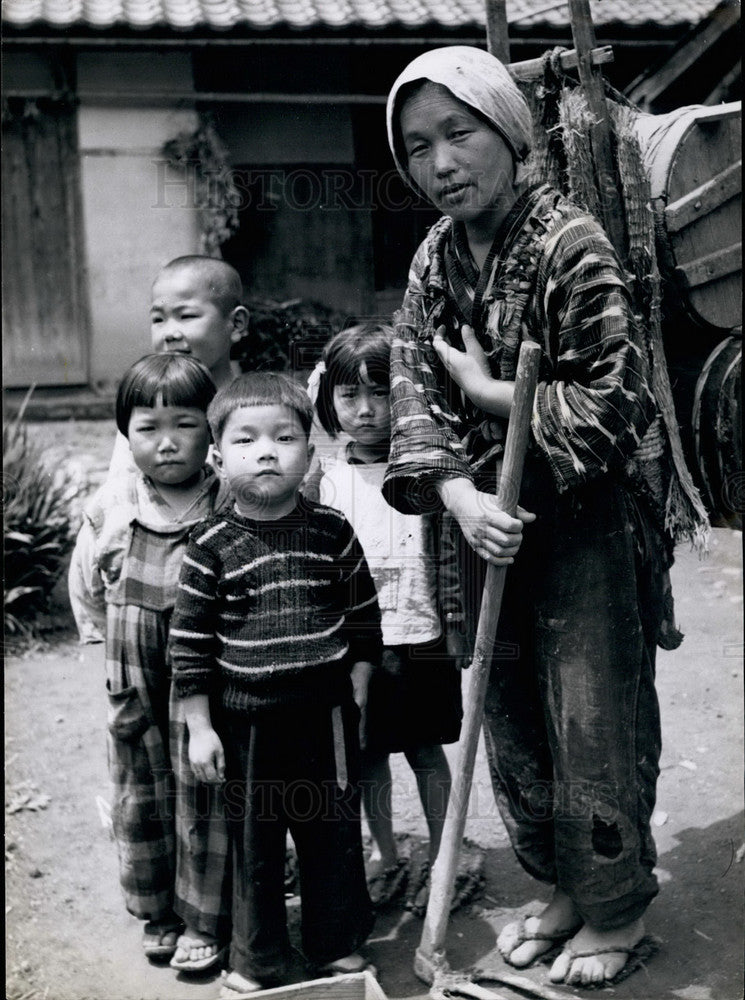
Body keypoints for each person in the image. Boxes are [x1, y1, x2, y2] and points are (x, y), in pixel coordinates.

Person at [383, 45, 679, 987]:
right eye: (418, 146)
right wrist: (463, 498)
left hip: (583, 525)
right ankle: (561, 888)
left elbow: (616, 404)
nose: (440, 164)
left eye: (458, 134)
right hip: (485, 529)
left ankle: (618, 911)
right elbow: (411, 388)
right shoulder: (435, 257)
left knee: (590, 714)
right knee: (510, 720)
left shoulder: (570, 243)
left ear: (509, 131)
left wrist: (496, 391)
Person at [167, 372, 381, 996]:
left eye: (285, 437)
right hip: (248, 725)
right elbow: (190, 648)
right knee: (255, 846)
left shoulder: (331, 531)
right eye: (247, 440)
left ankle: (334, 943)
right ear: (217, 457)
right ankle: (256, 959)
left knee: (331, 835)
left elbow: (364, 616)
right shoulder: (209, 546)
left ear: (311, 456)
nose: (266, 451)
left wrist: (361, 679)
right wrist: (201, 728)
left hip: (326, 717)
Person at [68, 353, 230, 962]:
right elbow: (85, 583)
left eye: (185, 424)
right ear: (124, 433)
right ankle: (156, 910)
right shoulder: (112, 507)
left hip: (206, 676)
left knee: (205, 790)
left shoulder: (227, 501)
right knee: (142, 792)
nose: (167, 443)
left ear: (211, 428)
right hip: (132, 671)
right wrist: (99, 641)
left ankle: (204, 920)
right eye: (148, 428)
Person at [308, 323, 468, 914]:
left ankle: (442, 848)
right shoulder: (325, 480)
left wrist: (458, 627)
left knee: (426, 748)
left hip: (422, 634)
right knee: (368, 753)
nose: (367, 411)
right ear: (329, 400)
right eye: (350, 396)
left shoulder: (430, 473)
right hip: (358, 647)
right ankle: (385, 853)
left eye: (382, 393)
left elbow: (455, 557)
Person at [106, 255, 249, 482]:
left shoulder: (254, 405)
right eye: (158, 319)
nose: (170, 333)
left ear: (236, 323)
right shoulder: (146, 409)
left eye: (187, 316)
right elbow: (122, 487)